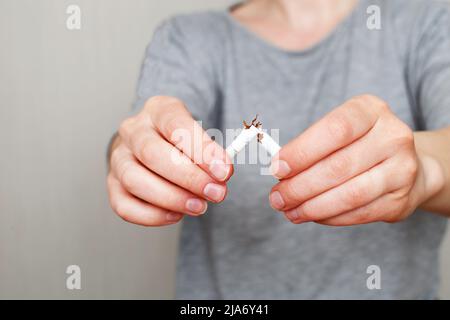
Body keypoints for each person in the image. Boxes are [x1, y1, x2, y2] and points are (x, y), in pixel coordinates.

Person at [107, 0, 450, 299]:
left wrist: (425, 169)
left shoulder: (428, 21)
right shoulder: (188, 38)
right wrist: (133, 152)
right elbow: (145, 125)